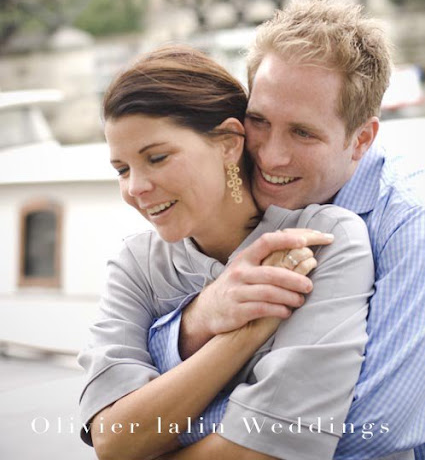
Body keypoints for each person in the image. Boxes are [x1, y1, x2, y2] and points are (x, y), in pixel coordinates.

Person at [157, 0, 425, 460]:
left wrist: (160, 435)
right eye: (258, 121)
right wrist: (196, 320)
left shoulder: (410, 225)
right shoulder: (224, 190)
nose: (269, 156)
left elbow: (377, 429)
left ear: (360, 139)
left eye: (303, 133)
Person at [78, 44, 374, 460]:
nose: (136, 188)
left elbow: (277, 443)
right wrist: (242, 334)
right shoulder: (134, 265)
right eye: (122, 170)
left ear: (229, 143)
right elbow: (112, 440)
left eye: (157, 158)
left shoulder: (324, 240)